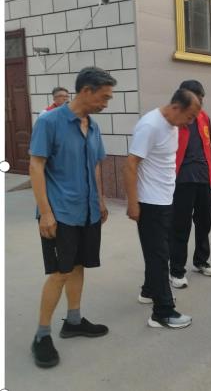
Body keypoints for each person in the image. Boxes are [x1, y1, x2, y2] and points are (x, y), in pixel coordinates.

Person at [29, 67, 116, 368]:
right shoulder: (49, 122)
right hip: (60, 212)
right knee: (60, 272)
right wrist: (45, 213)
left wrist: (100, 200)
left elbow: (95, 164)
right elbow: (36, 166)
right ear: (87, 91)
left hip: (87, 209)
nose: (106, 103)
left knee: (79, 266)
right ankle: (41, 335)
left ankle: (74, 321)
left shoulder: (93, 126)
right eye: (104, 97)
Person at [124, 89, 201, 329]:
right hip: (150, 202)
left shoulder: (174, 125)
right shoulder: (150, 125)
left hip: (165, 198)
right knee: (159, 256)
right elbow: (130, 165)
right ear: (176, 107)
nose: (191, 122)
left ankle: (149, 291)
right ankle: (162, 312)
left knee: (157, 251)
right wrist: (133, 203)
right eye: (190, 116)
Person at [169, 80, 211, 289]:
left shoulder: (204, 118)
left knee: (204, 223)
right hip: (182, 180)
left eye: (202, 98)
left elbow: (207, 147)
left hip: (204, 179)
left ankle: (201, 261)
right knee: (180, 227)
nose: (200, 102)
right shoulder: (175, 120)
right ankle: (176, 270)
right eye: (197, 98)